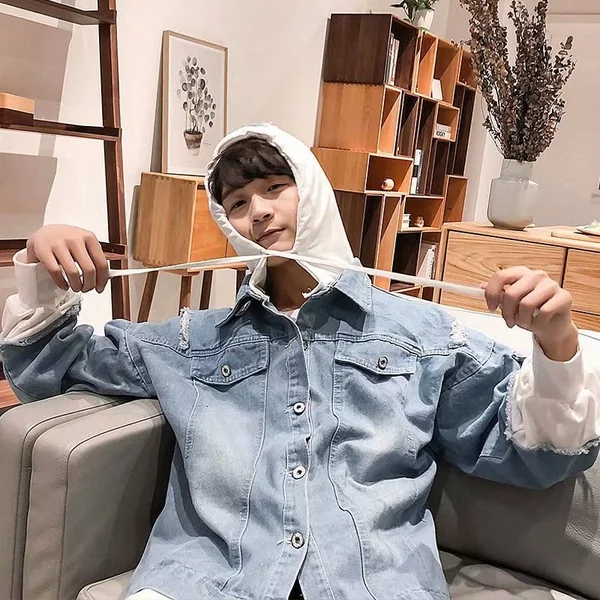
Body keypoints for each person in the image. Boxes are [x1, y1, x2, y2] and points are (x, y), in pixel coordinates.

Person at [2, 124, 600, 600]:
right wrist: (39, 264)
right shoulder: (195, 339)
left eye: (273, 188)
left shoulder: (425, 335)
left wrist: (557, 344)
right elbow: (46, 363)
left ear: (311, 189)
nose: (258, 211)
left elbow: (531, 454)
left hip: (373, 584)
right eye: (237, 202)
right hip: (205, 582)